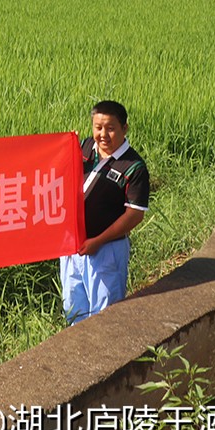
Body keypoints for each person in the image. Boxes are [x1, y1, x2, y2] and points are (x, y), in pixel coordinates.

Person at [59, 100, 150, 324]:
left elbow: (134, 215)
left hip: (107, 250)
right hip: (73, 247)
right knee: (73, 309)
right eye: (98, 127)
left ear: (124, 128)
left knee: (104, 317)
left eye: (110, 128)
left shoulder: (134, 166)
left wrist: (99, 240)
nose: (103, 134)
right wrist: (66, 146)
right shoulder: (86, 146)